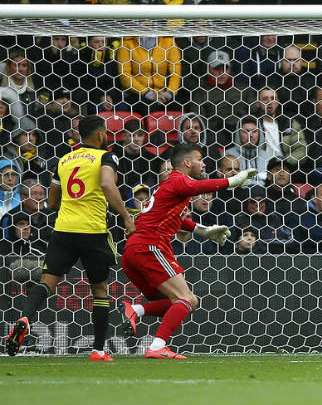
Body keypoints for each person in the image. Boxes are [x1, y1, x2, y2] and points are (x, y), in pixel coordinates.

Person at [4, 115, 134, 360]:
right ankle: (98, 350)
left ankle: (24, 318)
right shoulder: (106, 156)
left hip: (63, 230)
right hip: (93, 231)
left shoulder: (64, 160)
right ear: (100, 135)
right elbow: (107, 184)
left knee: (46, 282)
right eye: (105, 132)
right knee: (100, 290)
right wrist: (126, 217)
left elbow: (52, 202)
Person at [119, 142, 256, 359]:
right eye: (200, 159)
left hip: (136, 250)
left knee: (183, 302)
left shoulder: (170, 186)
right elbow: (197, 188)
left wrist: (204, 231)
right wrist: (233, 181)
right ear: (186, 162)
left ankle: (135, 311)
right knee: (186, 299)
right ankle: (156, 347)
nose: (203, 164)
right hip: (150, 246)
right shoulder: (179, 180)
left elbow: (177, 218)